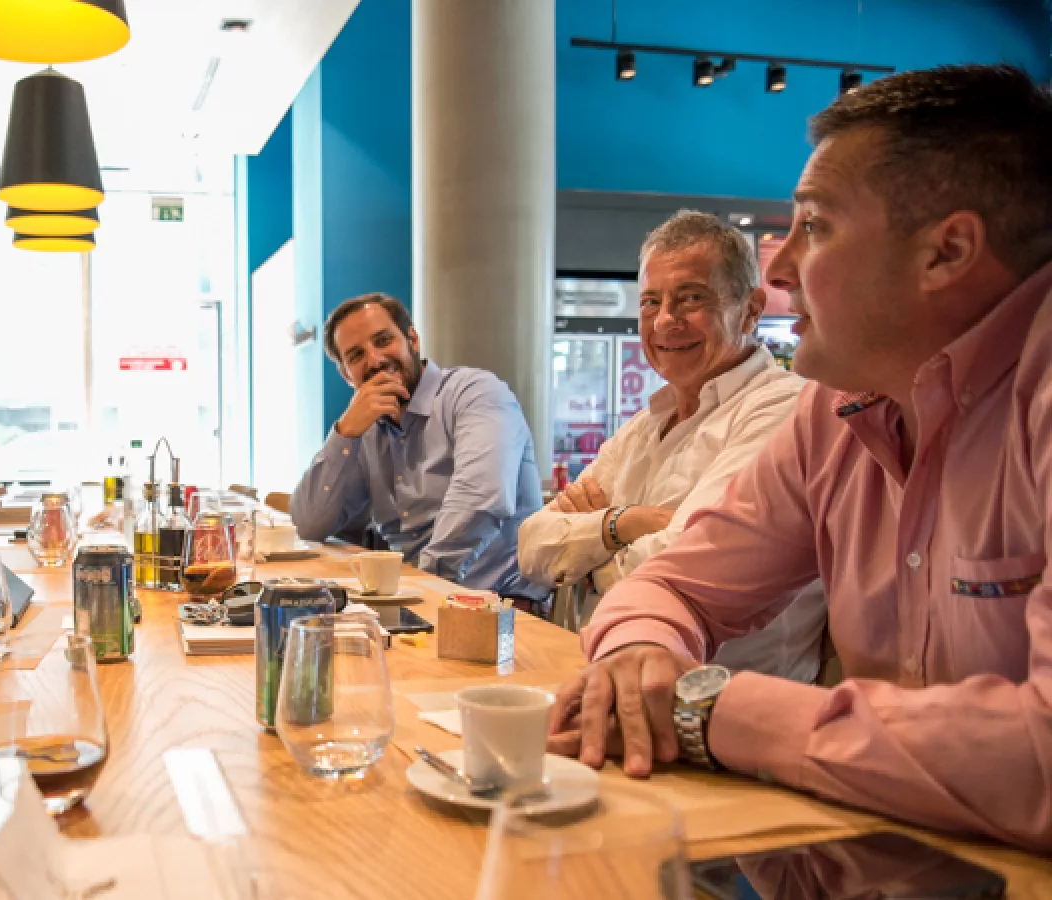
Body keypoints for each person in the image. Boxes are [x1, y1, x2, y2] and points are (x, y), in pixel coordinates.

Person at [547, 64, 1052, 852]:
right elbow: (673, 583)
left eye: (813, 226)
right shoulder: (837, 410)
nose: (779, 270)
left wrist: (706, 709)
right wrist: (639, 653)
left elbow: (1039, 758)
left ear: (946, 251)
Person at [518, 211, 824, 681]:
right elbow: (532, 546)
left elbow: (685, 565)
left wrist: (589, 559)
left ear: (752, 308)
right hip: (607, 683)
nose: (664, 320)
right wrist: (624, 523)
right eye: (650, 302)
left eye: (691, 298)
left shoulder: (784, 407)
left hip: (717, 707)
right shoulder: (646, 424)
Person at [290, 292, 544, 596]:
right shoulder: (366, 430)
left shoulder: (476, 394)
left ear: (412, 339)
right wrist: (344, 432)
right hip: (414, 596)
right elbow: (308, 525)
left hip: (497, 603)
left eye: (383, 341)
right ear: (347, 374)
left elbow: (480, 499)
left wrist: (423, 586)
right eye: (356, 356)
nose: (375, 360)